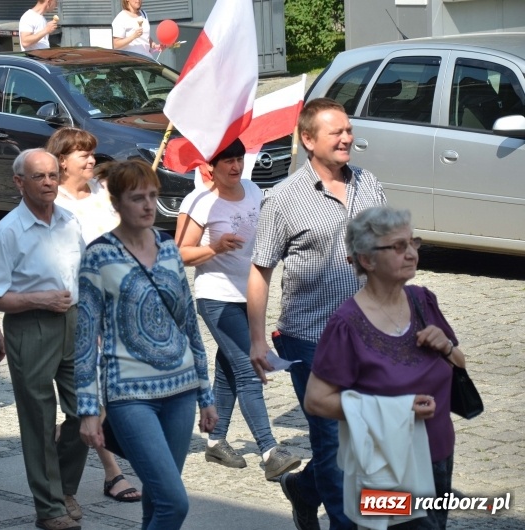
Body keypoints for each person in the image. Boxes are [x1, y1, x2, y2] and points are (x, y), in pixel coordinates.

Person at [247, 98, 387, 530]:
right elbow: (260, 269)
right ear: (308, 140)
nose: (347, 138)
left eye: (348, 130)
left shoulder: (369, 184)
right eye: (336, 132)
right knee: (331, 439)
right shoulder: (283, 198)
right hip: (310, 338)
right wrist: (256, 340)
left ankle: (302, 489)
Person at [76, 159, 218, 530]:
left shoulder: (169, 248)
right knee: (175, 502)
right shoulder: (98, 255)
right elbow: (84, 339)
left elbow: (188, 321)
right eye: (137, 197)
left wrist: (205, 393)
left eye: (153, 196)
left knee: (157, 501)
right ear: (117, 202)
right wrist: (89, 408)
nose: (148, 205)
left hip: (181, 390)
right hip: (130, 395)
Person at [305, 206, 463, 530]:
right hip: (388, 464)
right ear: (367, 260)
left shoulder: (423, 301)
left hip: (439, 453)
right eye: (397, 246)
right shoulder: (346, 324)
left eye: (412, 243)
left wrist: (446, 346)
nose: (411, 254)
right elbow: (316, 400)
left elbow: (460, 365)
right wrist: (397, 409)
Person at [175, 138, 301, 479]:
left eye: (238, 159)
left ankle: (216, 442)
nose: (235, 166)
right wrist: (215, 248)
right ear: (210, 168)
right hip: (216, 297)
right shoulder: (199, 201)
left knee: (231, 369)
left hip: (251, 296)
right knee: (248, 369)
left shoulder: (254, 191)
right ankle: (270, 450)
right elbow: (179, 253)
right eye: (227, 161)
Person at [0, 148, 88, 530]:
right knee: (39, 420)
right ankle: (50, 508)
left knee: (87, 410)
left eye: (52, 175)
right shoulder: (9, 231)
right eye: (38, 177)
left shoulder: (69, 220)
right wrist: (38, 298)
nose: (48, 182)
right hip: (31, 326)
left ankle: (62, 486)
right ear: (19, 182)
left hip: (73, 323)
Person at [46, 127, 140, 503]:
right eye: (81, 154)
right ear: (62, 161)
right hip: (85, 306)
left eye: (92, 153)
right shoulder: (57, 204)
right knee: (95, 394)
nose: (90, 159)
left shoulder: (104, 193)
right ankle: (112, 471)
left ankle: (67, 434)